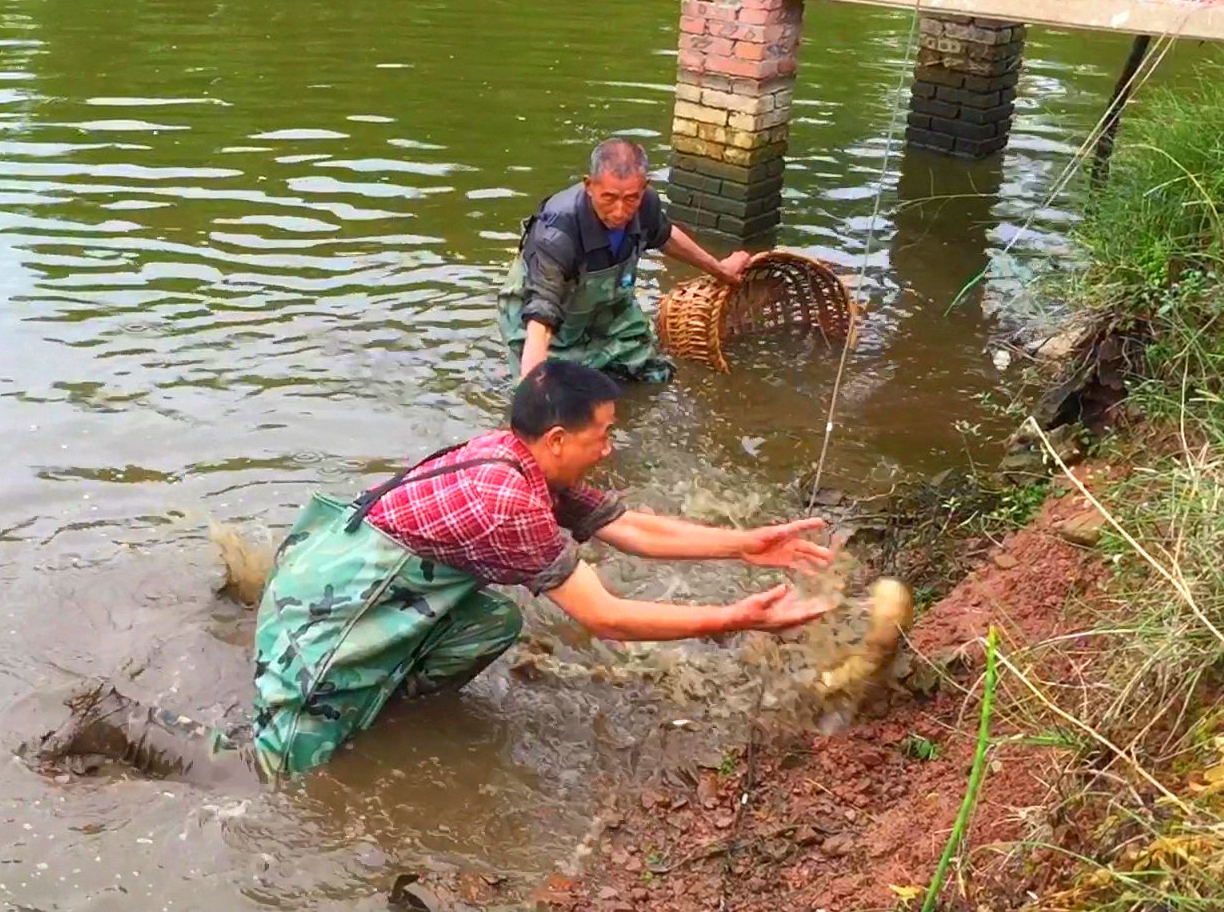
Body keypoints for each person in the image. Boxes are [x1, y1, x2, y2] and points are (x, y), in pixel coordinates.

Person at [251, 360, 835, 777]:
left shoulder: (518, 458)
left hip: (354, 568)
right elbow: (606, 619)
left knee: (493, 622)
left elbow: (627, 526)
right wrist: (734, 618)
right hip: (332, 601)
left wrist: (744, 545)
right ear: (558, 438)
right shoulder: (507, 500)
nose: (608, 449)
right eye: (602, 436)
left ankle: (388, 706)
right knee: (282, 770)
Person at [497, 138, 754, 383]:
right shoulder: (556, 233)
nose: (620, 212)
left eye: (631, 198)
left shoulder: (647, 204)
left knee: (656, 374)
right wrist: (533, 400)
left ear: (645, 187)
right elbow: (541, 318)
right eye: (608, 198)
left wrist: (720, 270)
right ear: (589, 185)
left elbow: (665, 236)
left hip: (606, 308)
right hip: (546, 320)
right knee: (559, 396)